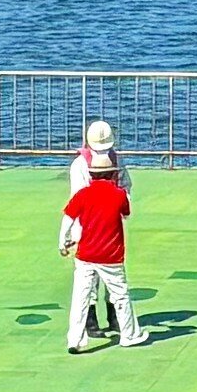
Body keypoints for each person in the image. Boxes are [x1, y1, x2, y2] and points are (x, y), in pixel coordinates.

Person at [60, 119, 140, 355]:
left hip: (106, 222)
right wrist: (76, 234)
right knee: (99, 280)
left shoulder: (116, 161)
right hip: (91, 226)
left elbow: (125, 186)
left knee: (94, 281)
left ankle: (106, 319)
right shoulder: (80, 166)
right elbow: (78, 199)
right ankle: (93, 319)